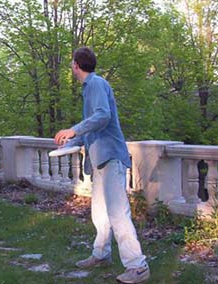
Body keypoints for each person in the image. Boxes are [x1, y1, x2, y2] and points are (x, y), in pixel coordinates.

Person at [54, 47, 149, 283]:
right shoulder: (89, 88)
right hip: (98, 161)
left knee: (118, 213)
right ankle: (101, 254)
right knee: (100, 213)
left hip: (110, 157)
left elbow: (102, 116)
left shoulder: (96, 84)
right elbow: (92, 128)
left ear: (76, 64)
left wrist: (73, 128)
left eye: (71, 63)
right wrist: (70, 140)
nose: (71, 66)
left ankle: (138, 266)